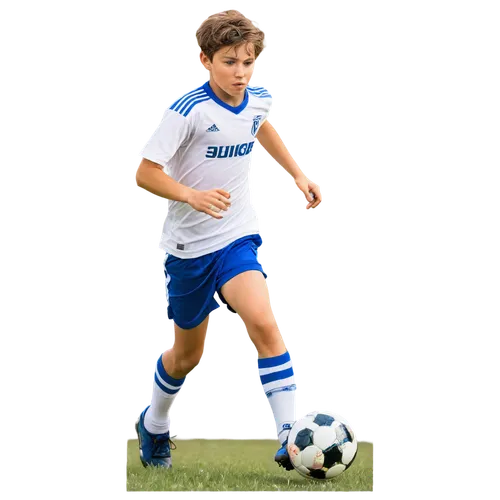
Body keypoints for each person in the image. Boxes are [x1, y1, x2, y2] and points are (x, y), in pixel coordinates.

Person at [133, 8, 323, 471]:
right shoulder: (186, 111)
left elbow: (260, 128)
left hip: (238, 237)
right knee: (187, 355)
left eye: (248, 61)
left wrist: (297, 175)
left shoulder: (257, 98)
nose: (241, 73)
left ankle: (291, 435)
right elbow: (143, 173)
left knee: (263, 322)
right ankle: (155, 423)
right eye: (229, 62)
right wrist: (191, 195)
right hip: (188, 250)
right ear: (204, 60)